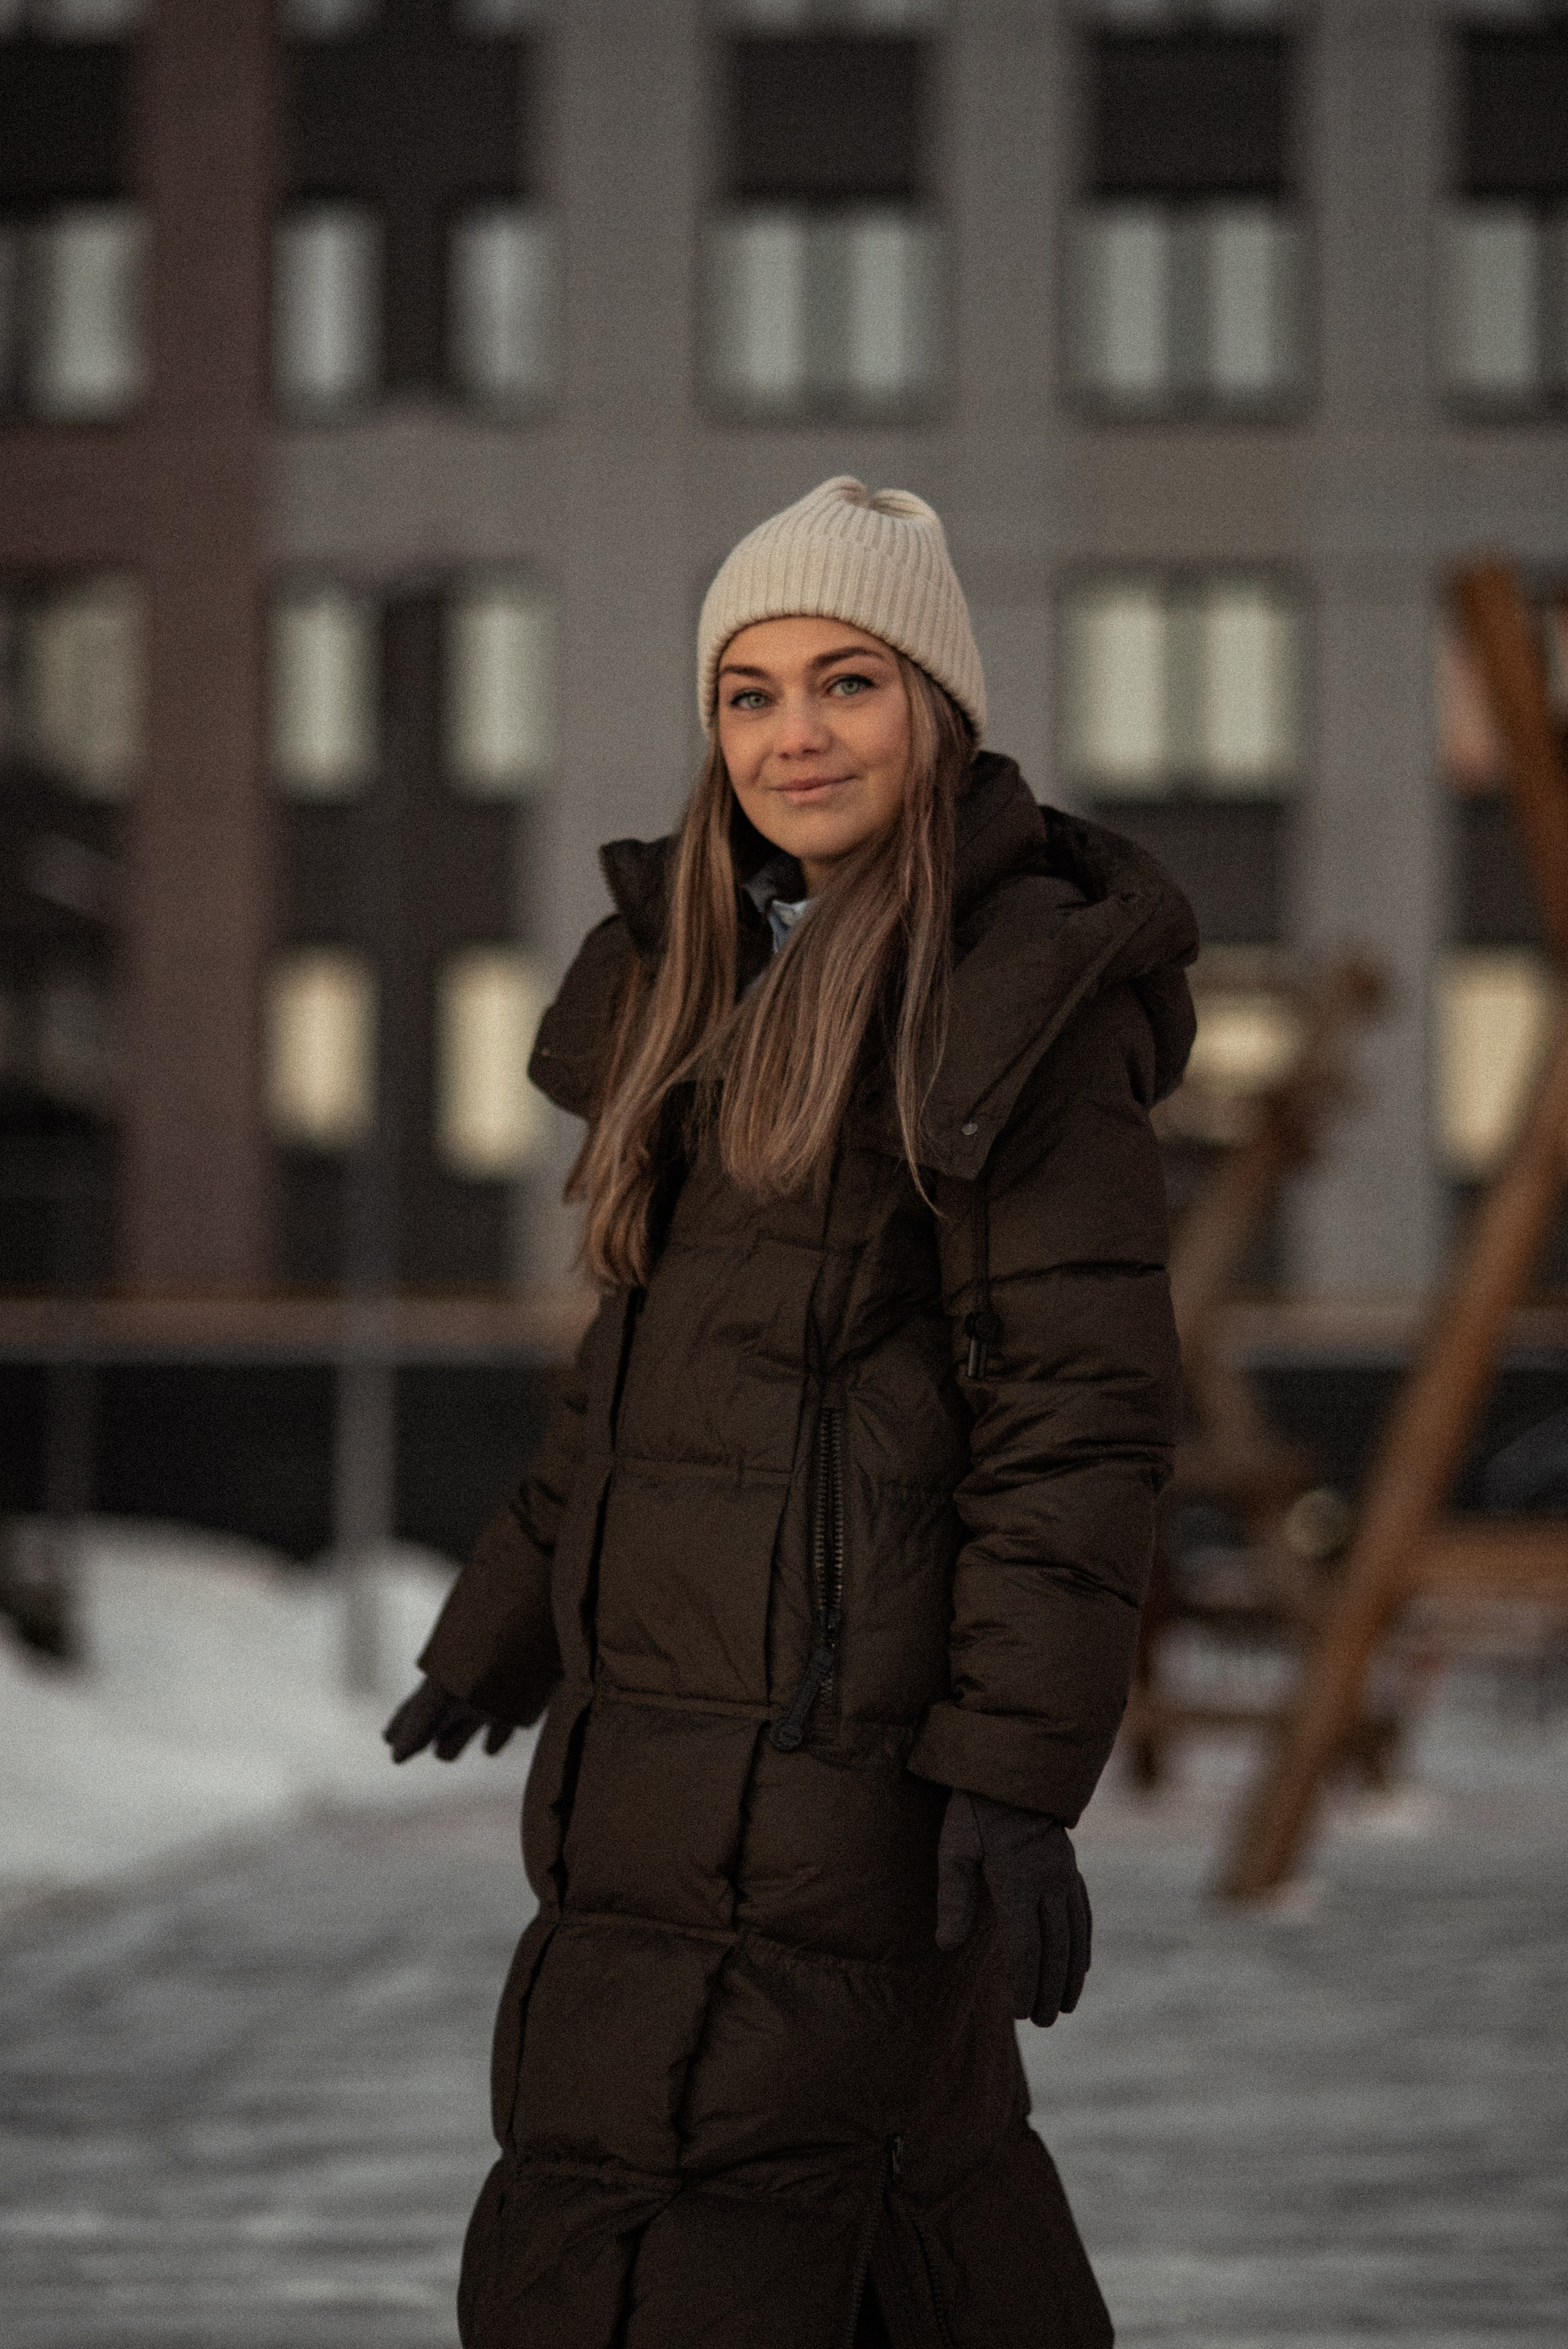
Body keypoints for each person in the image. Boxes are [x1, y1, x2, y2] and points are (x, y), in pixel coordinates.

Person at [385, 477, 1197, 2348]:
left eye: (847, 681)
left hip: (850, 1758)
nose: (793, 734)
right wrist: (502, 1619)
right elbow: (641, 1374)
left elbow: (1076, 1417)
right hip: (648, 1744)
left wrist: (1014, 1771)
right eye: (748, 692)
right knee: (771, 2193)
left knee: (718, 2194)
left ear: (936, 711)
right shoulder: (708, 979)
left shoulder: (1006, 1010)